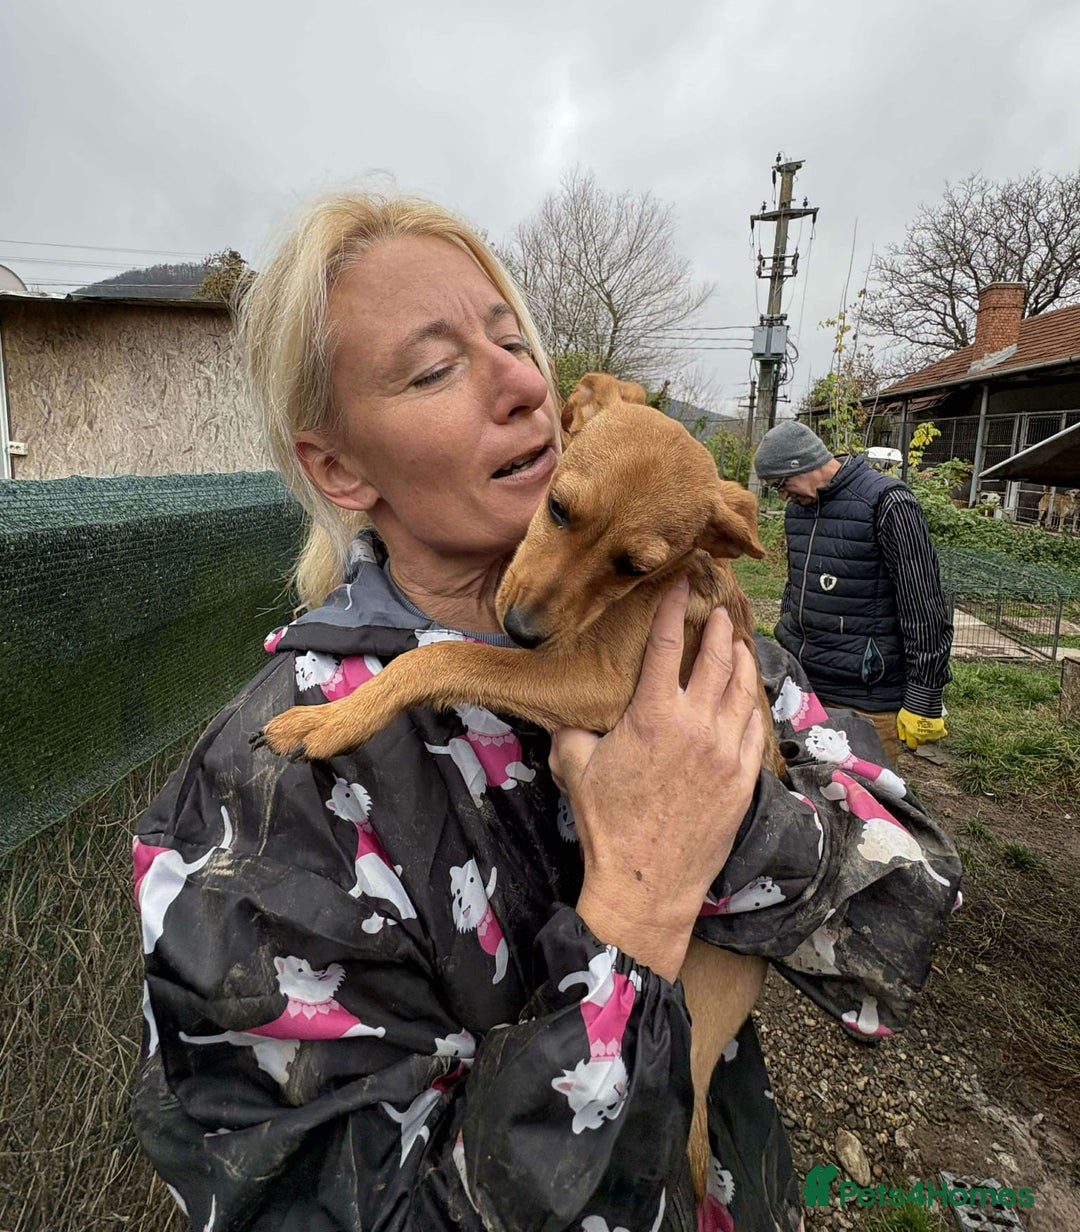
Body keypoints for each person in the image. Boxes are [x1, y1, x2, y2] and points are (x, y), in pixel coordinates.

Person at [131, 192, 961, 1232]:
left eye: (515, 339)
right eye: (435, 368)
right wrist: (638, 908)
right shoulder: (262, 799)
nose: (523, 384)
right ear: (340, 468)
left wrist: (734, 814)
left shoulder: (695, 627)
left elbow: (917, 901)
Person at [753, 422, 954, 763]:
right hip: (805, 687)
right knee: (808, 798)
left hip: (866, 697)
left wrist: (925, 694)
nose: (783, 495)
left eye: (781, 484)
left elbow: (924, 605)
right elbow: (796, 583)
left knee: (866, 802)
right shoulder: (798, 512)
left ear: (803, 465)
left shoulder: (887, 503)